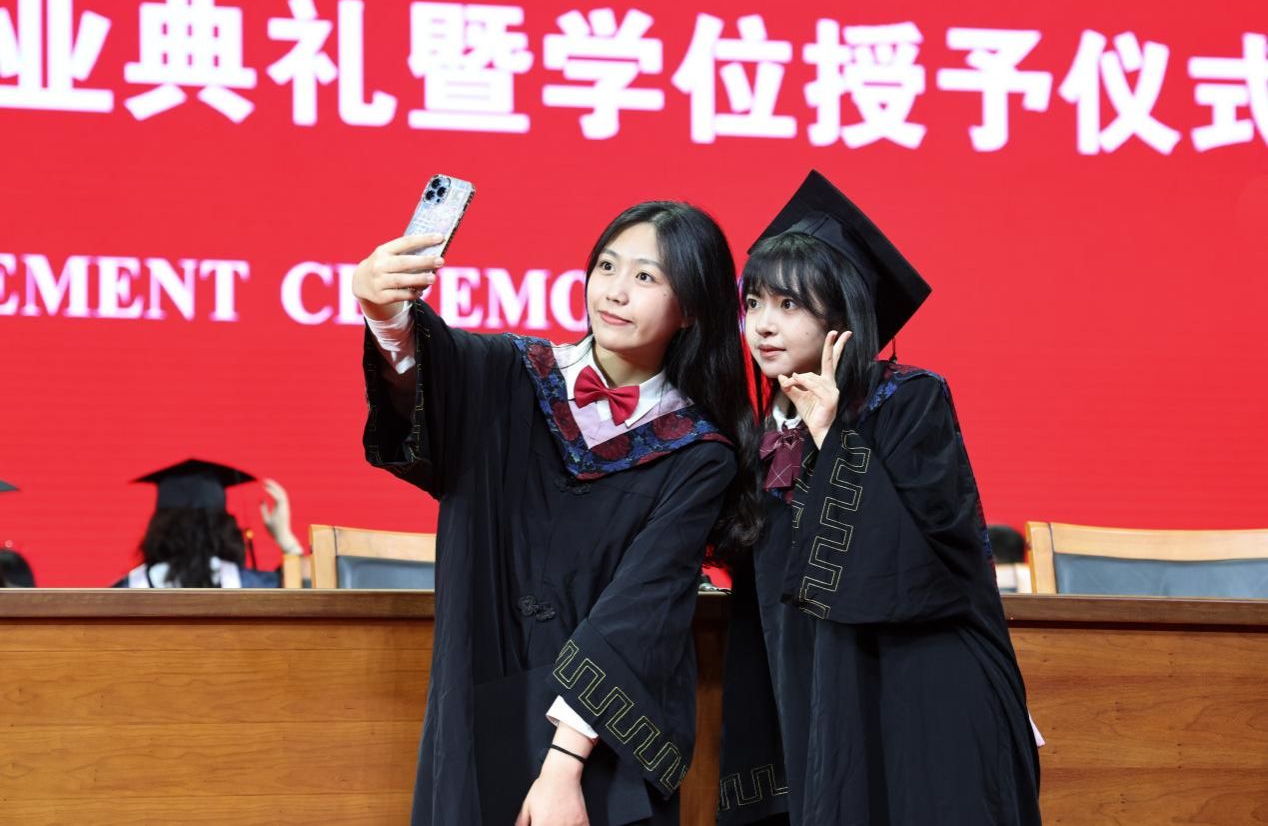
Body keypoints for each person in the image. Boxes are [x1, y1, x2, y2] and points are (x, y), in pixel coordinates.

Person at [353, 199, 759, 825]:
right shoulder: (507, 378)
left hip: (601, 744)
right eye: (607, 266)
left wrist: (563, 766)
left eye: (646, 277)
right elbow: (421, 371)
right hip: (482, 707)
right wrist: (383, 309)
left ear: (691, 310)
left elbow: (639, 610)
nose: (615, 291)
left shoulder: (698, 453)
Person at [717, 171, 1041, 825]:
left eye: (789, 304)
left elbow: (926, 563)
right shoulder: (759, 431)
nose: (764, 325)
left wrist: (832, 438)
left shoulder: (908, 399)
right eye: (754, 302)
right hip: (819, 690)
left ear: (840, 317)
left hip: (918, 687)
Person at [113, 459, 303, 589]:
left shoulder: (125, 592)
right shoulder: (251, 586)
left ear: (158, 529)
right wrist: (287, 540)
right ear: (223, 528)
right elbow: (304, 593)